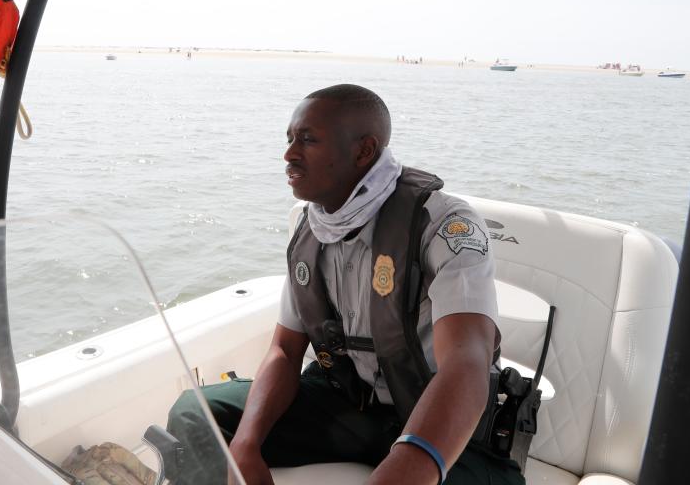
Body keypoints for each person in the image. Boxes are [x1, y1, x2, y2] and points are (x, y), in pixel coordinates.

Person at [167, 84, 523, 485]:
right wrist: (245, 445)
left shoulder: (443, 224)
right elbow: (285, 351)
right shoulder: (309, 227)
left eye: (308, 139)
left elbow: (466, 362)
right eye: (289, 139)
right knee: (197, 412)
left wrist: (410, 465)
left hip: (437, 413)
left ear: (364, 150)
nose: (289, 154)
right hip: (346, 405)